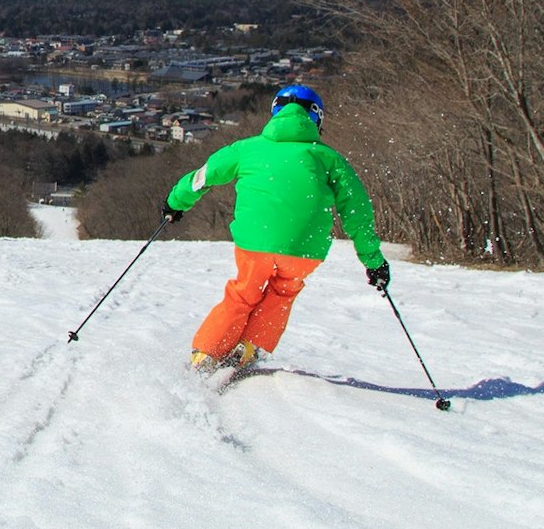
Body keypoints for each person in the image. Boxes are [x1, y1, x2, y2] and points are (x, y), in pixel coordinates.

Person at [164, 84, 389, 371]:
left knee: (245, 291)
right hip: (305, 248)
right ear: (317, 119)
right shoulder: (328, 158)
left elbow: (204, 176)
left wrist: (175, 203)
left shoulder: (248, 149)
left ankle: (207, 352)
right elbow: (357, 212)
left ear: (274, 112)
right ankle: (249, 345)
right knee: (283, 292)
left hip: (256, 240)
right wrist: (373, 261)